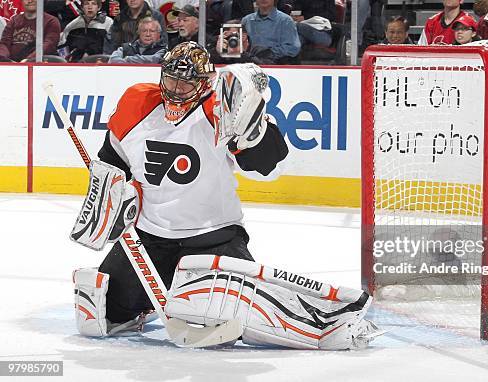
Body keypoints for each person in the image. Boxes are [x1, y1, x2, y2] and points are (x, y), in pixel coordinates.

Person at [71, 41, 377, 350]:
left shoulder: (222, 109)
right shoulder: (138, 103)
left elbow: (269, 169)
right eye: (171, 79)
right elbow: (113, 161)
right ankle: (158, 296)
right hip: (151, 239)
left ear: (205, 83)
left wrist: (252, 135)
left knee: (236, 320)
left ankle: (327, 322)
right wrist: (114, 196)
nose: (176, 89)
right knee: (99, 314)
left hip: (213, 237)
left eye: (187, 81)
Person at [210, 19, 275, 64]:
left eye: (233, 36)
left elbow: (267, 69)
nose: (230, 40)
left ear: (244, 36)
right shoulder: (221, 53)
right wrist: (217, 54)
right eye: (227, 37)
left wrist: (241, 54)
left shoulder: (262, 51)